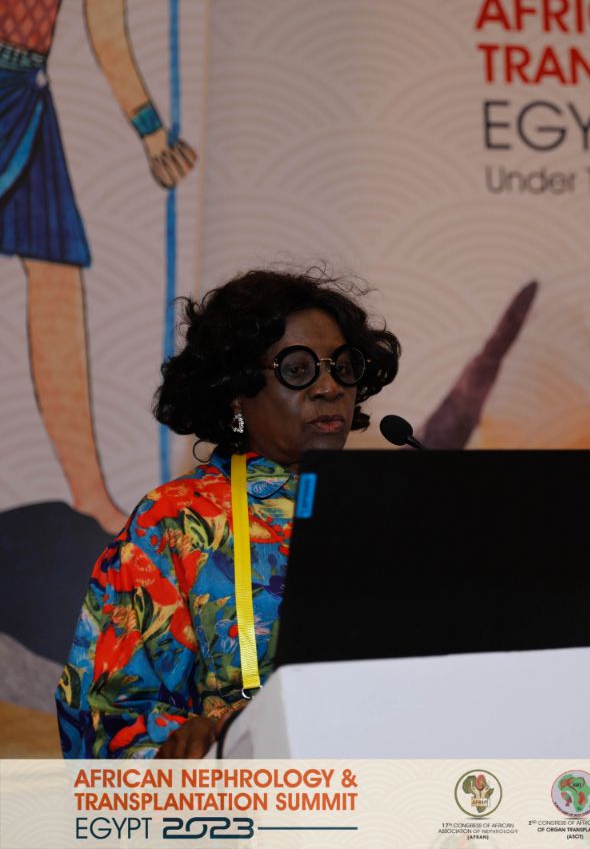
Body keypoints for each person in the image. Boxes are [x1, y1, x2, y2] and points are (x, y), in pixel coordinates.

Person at [55, 268, 400, 758]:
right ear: (237, 391)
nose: (329, 387)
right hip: (253, 792)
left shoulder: (389, 511)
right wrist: (188, 742)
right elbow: (106, 715)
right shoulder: (176, 520)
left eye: (342, 367)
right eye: (297, 369)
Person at [2, 0, 197, 534]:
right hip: (22, 90)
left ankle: (88, 492)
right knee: (55, 278)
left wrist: (154, 136)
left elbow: (107, 32)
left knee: (57, 276)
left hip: (23, 95)